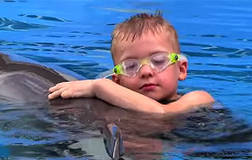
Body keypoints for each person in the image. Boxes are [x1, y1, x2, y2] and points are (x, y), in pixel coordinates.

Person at [48, 12, 214, 114]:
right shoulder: (119, 107)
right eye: (131, 66)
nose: (146, 71)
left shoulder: (198, 99)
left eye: (158, 60)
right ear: (117, 81)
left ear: (181, 69)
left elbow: (162, 113)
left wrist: (99, 87)